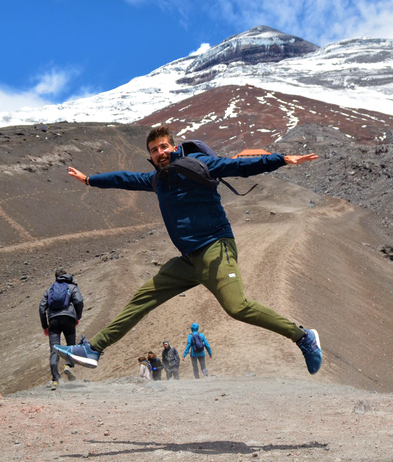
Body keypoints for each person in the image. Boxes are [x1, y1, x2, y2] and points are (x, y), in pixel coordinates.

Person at [54, 126, 322, 375]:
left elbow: (237, 166)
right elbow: (124, 178)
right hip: (188, 260)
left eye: (163, 146)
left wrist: (281, 159)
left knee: (237, 307)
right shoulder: (157, 180)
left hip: (216, 248)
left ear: (174, 147)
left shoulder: (200, 165)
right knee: (143, 297)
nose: (159, 153)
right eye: (154, 150)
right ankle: (94, 348)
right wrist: (89, 180)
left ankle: (303, 337)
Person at [39, 268, 84, 389]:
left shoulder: (50, 289)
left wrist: (45, 326)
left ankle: (55, 379)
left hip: (53, 320)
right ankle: (68, 365)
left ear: (55, 278)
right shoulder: (71, 286)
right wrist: (77, 317)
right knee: (71, 344)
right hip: (68, 319)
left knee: (54, 349)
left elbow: (42, 308)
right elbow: (79, 301)